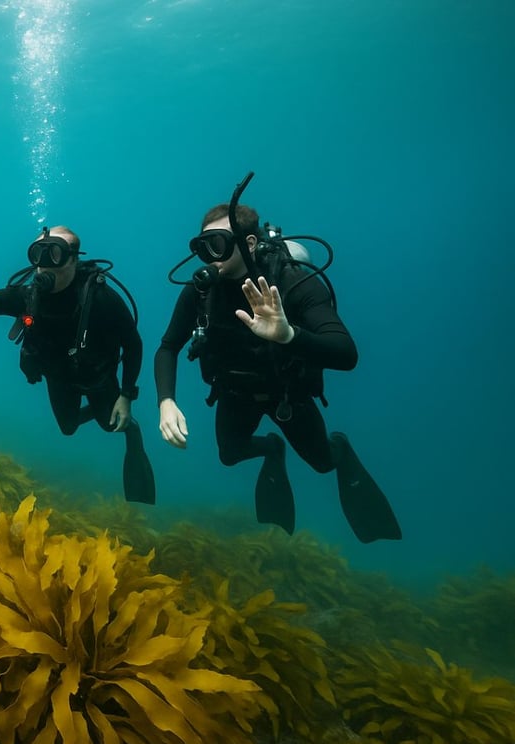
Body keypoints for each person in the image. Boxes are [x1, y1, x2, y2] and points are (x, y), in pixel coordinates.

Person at [153, 179, 400, 542]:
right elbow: (168, 346)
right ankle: (272, 448)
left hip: (288, 396)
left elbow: (347, 354)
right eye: (203, 247)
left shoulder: (291, 282)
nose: (210, 257)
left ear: (248, 243)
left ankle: (340, 446)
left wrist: (288, 335)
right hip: (235, 393)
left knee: (322, 464)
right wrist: (166, 401)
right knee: (229, 455)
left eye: (218, 245)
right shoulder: (199, 292)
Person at [0, 226, 156, 504]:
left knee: (110, 426)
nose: (44, 264)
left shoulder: (101, 298)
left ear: (74, 259)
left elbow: (133, 344)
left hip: (97, 377)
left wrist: (126, 396)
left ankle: (131, 428)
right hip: (58, 377)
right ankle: (103, 413)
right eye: (38, 254)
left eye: (55, 253)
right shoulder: (25, 297)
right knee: (68, 427)